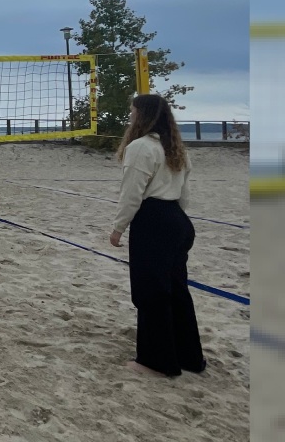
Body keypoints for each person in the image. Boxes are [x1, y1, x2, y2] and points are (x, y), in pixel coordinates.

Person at [109, 93, 207, 379]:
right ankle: (190, 356)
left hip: (154, 222)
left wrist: (118, 228)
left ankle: (156, 362)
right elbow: (184, 195)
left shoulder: (140, 147)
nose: (130, 116)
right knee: (176, 290)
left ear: (143, 115)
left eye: (133, 112)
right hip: (177, 220)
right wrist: (176, 222)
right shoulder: (175, 147)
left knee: (151, 292)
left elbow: (132, 193)